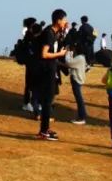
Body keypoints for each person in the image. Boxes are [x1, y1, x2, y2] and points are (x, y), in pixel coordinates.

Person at [34, 9, 70, 141]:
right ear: (58, 20)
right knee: (47, 101)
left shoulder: (54, 33)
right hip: (45, 71)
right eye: (64, 19)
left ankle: (45, 128)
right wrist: (59, 55)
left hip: (50, 70)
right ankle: (44, 131)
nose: (66, 22)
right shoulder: (49, 33)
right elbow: (44, 54)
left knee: (48, 101)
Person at [63, 41, 88, 124]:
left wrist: (67, 53)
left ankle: (82, 117)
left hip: (76, 80)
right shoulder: (81, 57)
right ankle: (81, 116)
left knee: (79, 99)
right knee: (79, 99)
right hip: (78, 80)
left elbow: (69, 63)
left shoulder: (79, 58)